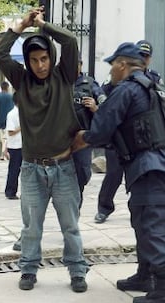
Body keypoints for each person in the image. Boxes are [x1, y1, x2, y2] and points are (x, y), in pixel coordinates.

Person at [73, 42, 165, 303]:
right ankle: (146, 276)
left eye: (112, 67)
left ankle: (164, 289)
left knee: (152, 225)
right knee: (143, 220)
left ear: (122, 64)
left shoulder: (127, 89)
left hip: (150, 166)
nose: (110, 74)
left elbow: (101, 128)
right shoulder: (154, 87)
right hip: (159, 163)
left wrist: (81, 138)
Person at [0, 6, 89, 292]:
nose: (40, 65)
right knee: (31, 227)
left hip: (63, 167)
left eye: (44, 58)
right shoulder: (21, 81)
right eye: (34, 60)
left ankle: (77, 271)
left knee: (70, 226)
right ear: (28, 61)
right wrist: (22, 25)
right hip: (32, 169)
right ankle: (29, 269)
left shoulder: (64, 77)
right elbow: (0, 53)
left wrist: (43, 25)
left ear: (51, 57)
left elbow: (70, 40)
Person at [94, 39, 163, 224]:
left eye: (146, 56)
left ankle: (141, 209)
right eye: (141, 55)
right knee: (113, 175)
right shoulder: (120, 78)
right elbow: (103, 94)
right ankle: (104, 207)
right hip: (118, 136)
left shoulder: (154, 78)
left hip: (141, 141)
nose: (144, 58)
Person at [72, 55, 106, 208]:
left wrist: (94, 108)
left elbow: (106, 108)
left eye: (75, 64)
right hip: (62, 137)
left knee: (83, 172)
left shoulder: (91, 84)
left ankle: (75, 200)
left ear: (80, 65)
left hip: (83, 139)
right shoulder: (60, 82)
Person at [4, 92, 21, 200]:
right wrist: (22, 126)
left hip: (24, 145)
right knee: (14, 169)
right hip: (15, 146)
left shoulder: (26, 113)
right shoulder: (12, 114)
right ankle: (10, 191)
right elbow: (10, 132)